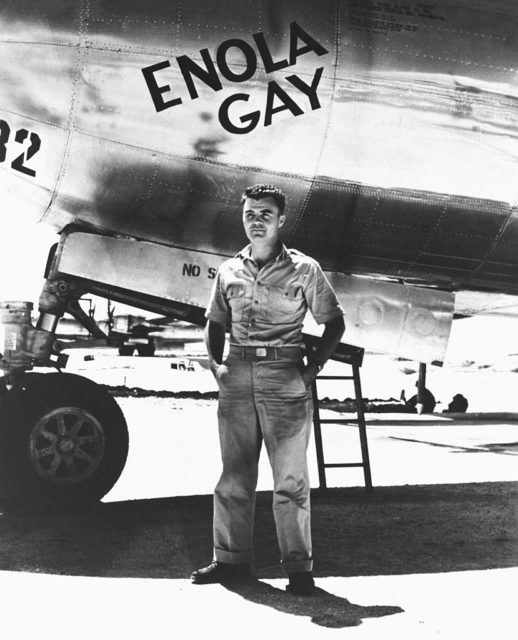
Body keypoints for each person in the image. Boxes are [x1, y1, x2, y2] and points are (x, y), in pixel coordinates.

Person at [191, 184, 345, 595]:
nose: (256, 220)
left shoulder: (304, 269)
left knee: (290, 479)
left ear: (280, 220)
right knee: (233, 476)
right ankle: (230, 561)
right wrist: (217, 367)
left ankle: (298, 569)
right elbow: (215, 322)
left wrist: (310, 372)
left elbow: (334, 323)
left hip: (285, 375)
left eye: (264, 213)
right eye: (250, 213)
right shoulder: (228, 271)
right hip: (237, 374)